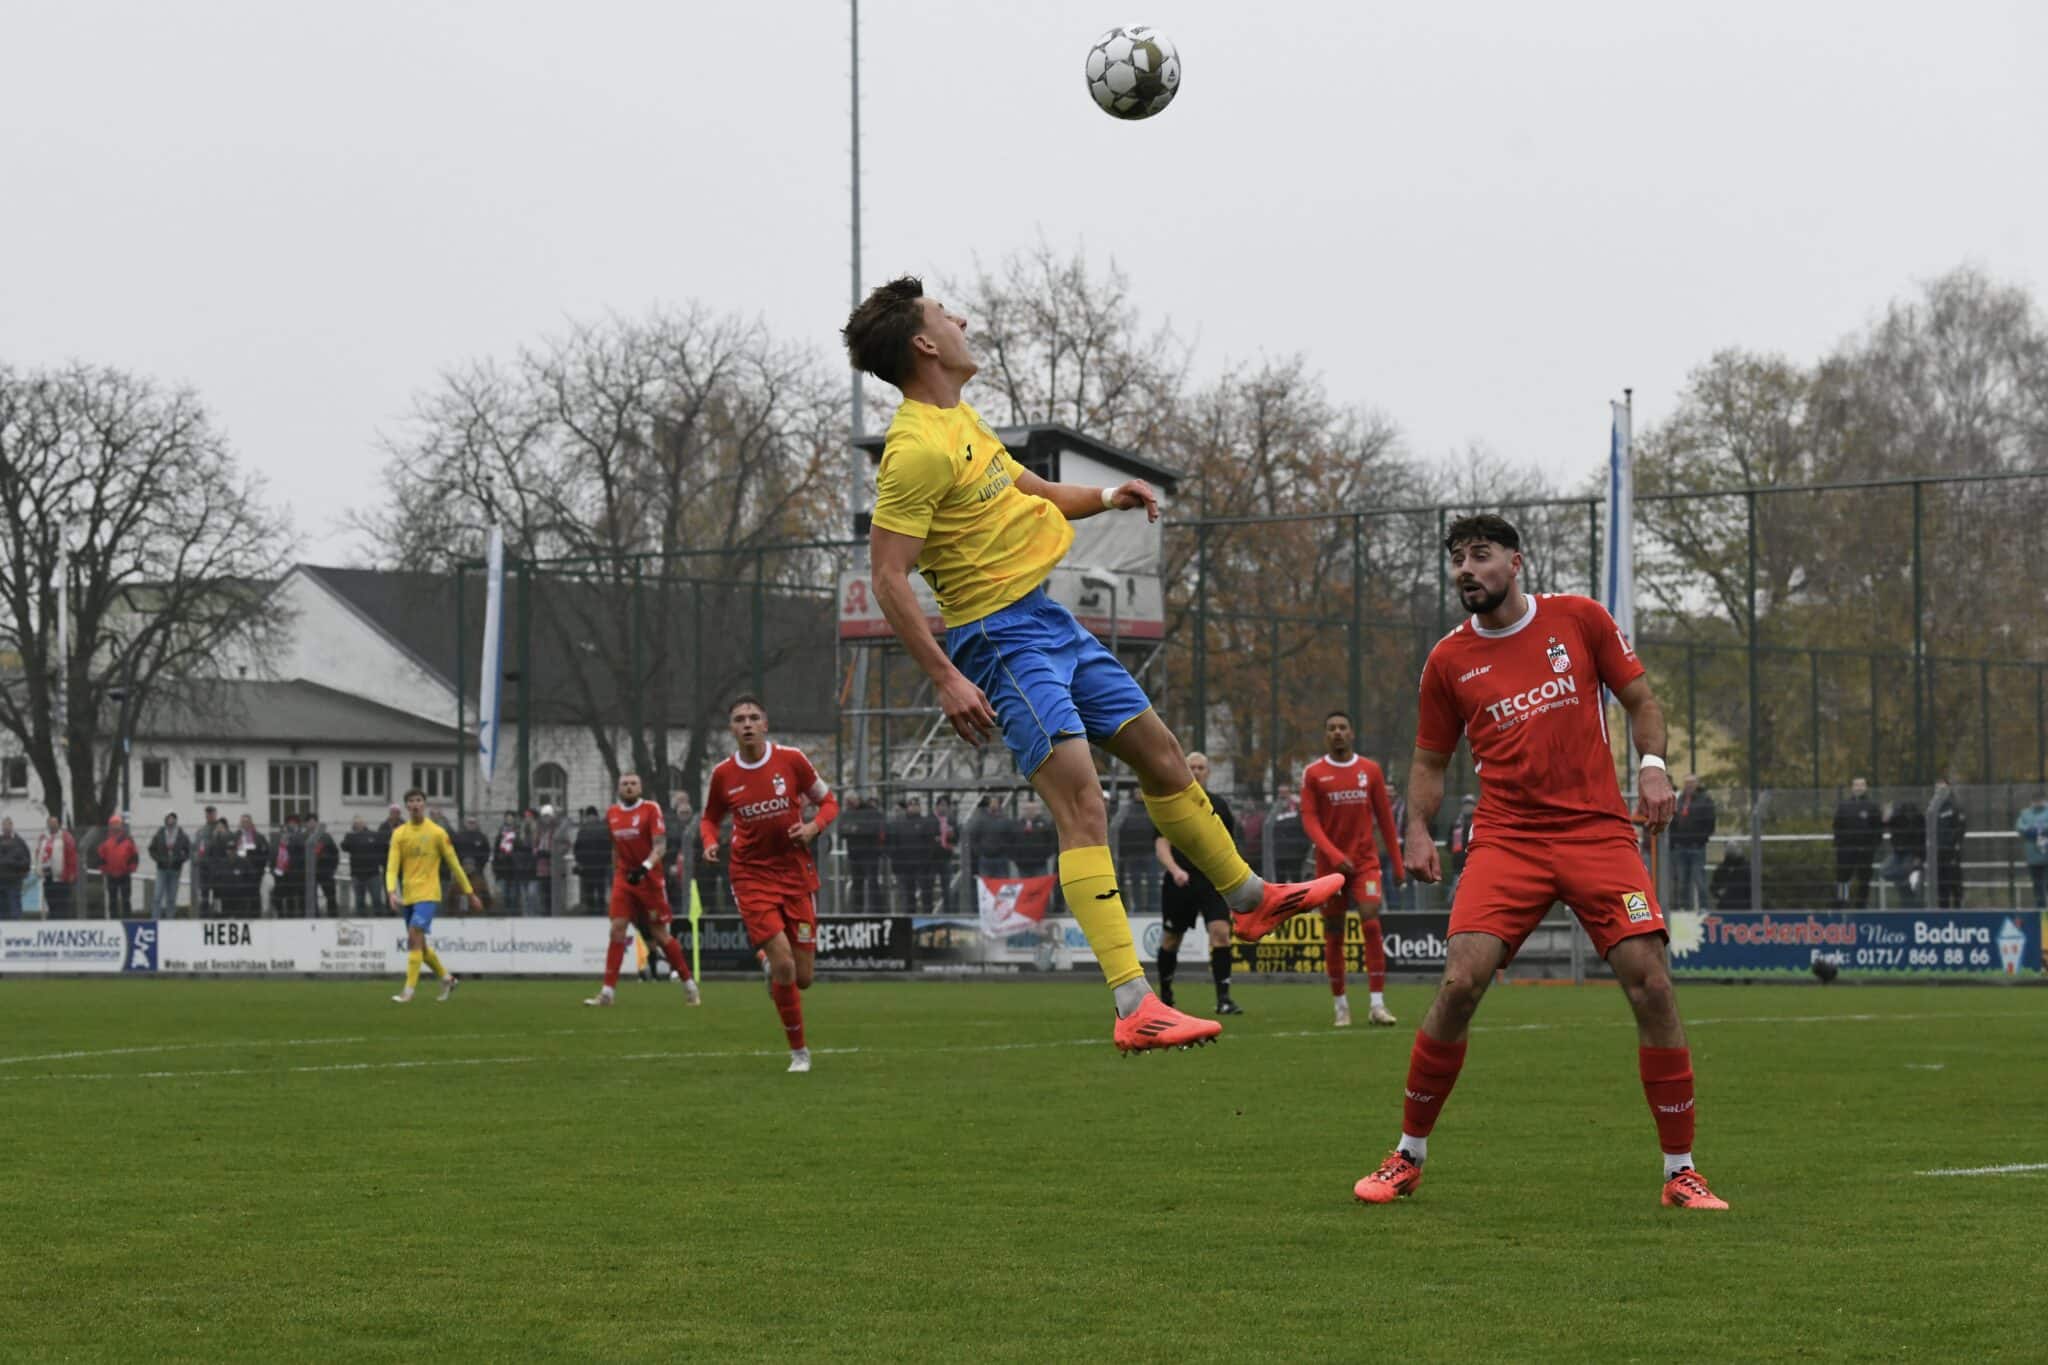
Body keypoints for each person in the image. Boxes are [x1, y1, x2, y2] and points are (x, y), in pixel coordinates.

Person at [847, 276, 1343, 1052]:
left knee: (1166, 758)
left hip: (1051, 621)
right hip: (999, 640)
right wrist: (946, 675)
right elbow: (886, 574)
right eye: (948, 314)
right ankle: (1133, 1001)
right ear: (925, 343)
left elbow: (1034, 490)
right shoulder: (913, 449)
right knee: (1082, 804)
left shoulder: (963, 420)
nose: (963, 318)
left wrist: (1110, 495)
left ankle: (1249, 896)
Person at [1353, 514, 1726, 1212]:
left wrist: (1651, 766)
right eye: (1458, 558)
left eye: (1481, 555)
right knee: (1460, 981)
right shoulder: (1448, 660)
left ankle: (1681, 1170)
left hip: (1597, 833)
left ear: (1515, 562)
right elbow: (1430, 759)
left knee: (1651, 984)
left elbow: (1642, 700)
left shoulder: (1579, 619)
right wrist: (1417, 828)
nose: (1467, 568)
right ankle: (1408, 1154)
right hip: (1508, 839)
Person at [698, 696, 838, 1070]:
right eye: (739, 719)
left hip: (795, 874)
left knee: (803, 977)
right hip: (750, 875)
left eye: (753, 717)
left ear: (765, 724)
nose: (746, 724)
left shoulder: (792, 760)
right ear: (731, 728)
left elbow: (830, 804)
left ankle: (766, 962)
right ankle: (799, 1052)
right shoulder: (723, 774)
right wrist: (710, 842)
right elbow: (709, 818)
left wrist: (812, 827)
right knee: (786, 968)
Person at [1300, 713, 1404, 1028]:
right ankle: (1341, 1006)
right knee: (1334, 933)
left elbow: (1386, 819)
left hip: (1365, 864)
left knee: (1371, 921)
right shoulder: (1314, 773)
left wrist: (1398, 864)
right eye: (1331, 728)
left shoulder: (1369, 770)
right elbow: (1309, 820)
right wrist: (1333, 855)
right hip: (1330, 868)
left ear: (1352, 733)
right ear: (1325, 735)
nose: (1337, 733)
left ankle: (1377, 1004)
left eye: (1342, 727)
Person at [584, 771, 701, 1009]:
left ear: (640, 788)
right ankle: (607, 993)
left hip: (649, 879)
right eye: (624, 784)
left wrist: (645, 867)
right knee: (617, 929)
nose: (628, 787)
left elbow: (660, 846)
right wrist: (618, 874)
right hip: (625, 879)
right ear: (618, 788)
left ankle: (689, 985)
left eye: (633, 784)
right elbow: (615, 849)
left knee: (659, 934)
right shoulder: (613, 814)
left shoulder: (651, 809)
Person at [1153, 751, 1242, 1016]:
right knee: (1171, 939)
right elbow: (1161, 844)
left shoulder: (1219, 805)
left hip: (1211, 880)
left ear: (1208, 772)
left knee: (1221, 934)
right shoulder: (1169, 803)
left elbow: (1228, 846)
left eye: (1201, 767)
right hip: (1180, 880)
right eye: (1191, 767)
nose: (1196, 771)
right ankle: (1166, 996)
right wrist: (1175, 869)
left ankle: (1223, 999)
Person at [385, 787, 480, 1003]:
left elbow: (455, 864)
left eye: (419, 800)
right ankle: (447, 978)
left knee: (414, 937)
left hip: (428, 894)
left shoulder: (437, 833)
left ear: (424, 804)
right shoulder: (399, 834)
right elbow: (392, 867)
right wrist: (391, 891)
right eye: (411, 801)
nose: (416, 804)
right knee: (420, 945)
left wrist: (470, 892)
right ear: (407, 806)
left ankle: (408, 992)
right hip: (408, 895)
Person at [1831, 778, 1883, 909]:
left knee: (1864, 881)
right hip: (1846, 852)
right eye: (1856, 785)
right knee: (1843, 880)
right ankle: (1841, 905)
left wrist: (1871, 847)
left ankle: (1861, 907)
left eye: (1862, 785)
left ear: (1866, 787)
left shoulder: (1872, 806)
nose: (1859, 787)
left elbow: (1878, 828)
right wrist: (1840, 845)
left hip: (1865, 852)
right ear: (1852, 787)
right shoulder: (1844, 806)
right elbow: (1837, 826)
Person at [1668, 775, 1717, 912]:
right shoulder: (1680, 800)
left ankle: (1703, 907)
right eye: (1686, 783)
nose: (1688, 786)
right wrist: (1675, 840)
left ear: (1696, 784)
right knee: (1683, 880)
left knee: (1699, 878)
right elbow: (1673, 821)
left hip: (1697, 846)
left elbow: (1710, 822)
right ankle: (1685, 907)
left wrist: (1702, 839)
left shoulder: (1705, 800)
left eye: (1691, 783)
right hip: (1680, 846)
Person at [839, 795, 886, 916]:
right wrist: (856, 829)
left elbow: (871, 829)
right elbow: (841, 830)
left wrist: (855, 829)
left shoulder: (871, 812)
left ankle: (876, 912)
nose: (849, 804)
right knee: (857, 884)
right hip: (854, 854)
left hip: (870, 854)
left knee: (872, 883)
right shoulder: (846, 814)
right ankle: (857, 912)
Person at [147, 813, 192, 918]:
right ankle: (155, 920)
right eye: (169, 819)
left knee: (171, 898)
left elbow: (188, 851)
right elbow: (151, 849)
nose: (171, 821)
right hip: (161, 869)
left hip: (175, 870)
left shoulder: (182, 835)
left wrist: (180, 860)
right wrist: (159, 859)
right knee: (157, 896)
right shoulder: (159, 834)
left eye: (173, 819)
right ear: (166, 820)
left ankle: (169, 921)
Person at [1931, 777, 1967, 909]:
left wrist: (1954, 845)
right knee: (1941, 886)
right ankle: (1942, 912)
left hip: (1951, 853)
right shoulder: (1933, 808)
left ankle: (1958, 911)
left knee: (1955, 883)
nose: (1939, 791)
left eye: (1942, 788)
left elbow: (1960, 828)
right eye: (1937, 788)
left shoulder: (1955, 806)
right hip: (1937, 853)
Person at [491, 812, 532, 917]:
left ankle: (514, 916)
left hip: (514, 871)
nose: (509, 821)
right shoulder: (500, 836)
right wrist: (495, 868)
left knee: (514, 896)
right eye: (507, 819)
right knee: (504, 897)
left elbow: (523, 849)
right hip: (502, 871)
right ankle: (505, 916)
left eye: (511, 819)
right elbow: (496, 853)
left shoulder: (518, 835)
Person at [37, 816, 78, 919]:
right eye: (50, 823)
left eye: (54, 822)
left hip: (62, 878)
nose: (52, 825)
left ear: (58, 824)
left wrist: (72, 873)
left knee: (62, 904)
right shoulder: (43, 837)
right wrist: (39, 869)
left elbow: (72, 855)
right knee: (51, 903)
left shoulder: (66, 837)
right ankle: (52, 921)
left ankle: (61, 922)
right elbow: (38, 853)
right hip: (48, 876)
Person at [98, 818, 139, 917]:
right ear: (110, 826)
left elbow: (134, 855)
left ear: (121, 826)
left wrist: (132, 867)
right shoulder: (106, 840)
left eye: (117, 824)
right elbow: (101, 856)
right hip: (111, 874)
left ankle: (127, 919)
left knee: (126, 899)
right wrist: (103, 868)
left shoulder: (128, 839)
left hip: (125, 873)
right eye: (113, 824)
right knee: (112, 900)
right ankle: (114, 919)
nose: (115, 826)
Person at [573, 806, 611, 913]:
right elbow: (609, 846)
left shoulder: (583, 829)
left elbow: (577, 848)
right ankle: (600, 912)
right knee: (601, 890)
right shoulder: (604, 828)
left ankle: (590, 913)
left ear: (587, 816)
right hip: (601, 866)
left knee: (589, 891)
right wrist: (607, 861)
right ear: (596, 815)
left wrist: (579, 861)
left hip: (587, 866)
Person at [342, 816, 382, 912]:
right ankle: (361, 921)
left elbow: (380, 848)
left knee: (377, 900)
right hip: (357, 875)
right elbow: (344, 846)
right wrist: (352, 836)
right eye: (356, 823)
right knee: (359, 901)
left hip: (373, 874)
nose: (358, 825)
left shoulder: (373, 835)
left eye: (360, 823)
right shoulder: (350, 836)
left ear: (364, 824)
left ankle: (380, 920)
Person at [230, 815, 267, 917]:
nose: (245, 824)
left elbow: (264, 854)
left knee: (254, 896)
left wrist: (259, 870)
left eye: (247, 821)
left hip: (254, 873)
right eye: (243, 822)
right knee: (239, 897)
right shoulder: (235, 836)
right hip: (238, 873)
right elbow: (231, 852)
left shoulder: (258, 837)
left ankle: (255, 916)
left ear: (251, 823)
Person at [270, 813, 306, 916]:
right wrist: (273, 870)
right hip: (280, 874)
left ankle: (292, 917)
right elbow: (272, 855)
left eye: (294, 823)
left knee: (293, 899)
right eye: (289, 823)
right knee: (278, 898)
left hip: (294, 875)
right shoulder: (277, 841)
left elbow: (301, 855)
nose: (291, 825)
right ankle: (281, 915)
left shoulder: (300, 838)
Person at [2018, 792, 2048, 911]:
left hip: (2046, 855)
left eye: (2040, 800)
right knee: (2037, 884)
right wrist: (2034, 830)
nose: (2038, 803)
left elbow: (2045, 827)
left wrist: (2035, 829)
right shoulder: (2025, 813)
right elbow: (2020, 827)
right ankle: (2040, 909)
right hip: (2032, 856)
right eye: (2036, 800)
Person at [308, 814, 340, 915]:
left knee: (330, 896)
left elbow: (335, 853)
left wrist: (332, 868)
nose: (312, 824)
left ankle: (333, 916)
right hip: (310, 873)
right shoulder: (304, 836)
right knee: (311, 898)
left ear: (317, 823)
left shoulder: (326, 837)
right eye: (309, 822)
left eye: (314, 821)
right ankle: (315, 916)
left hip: (326, 872)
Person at [1447, 794, 1477, 901]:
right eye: (1465, 805)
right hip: (1458, 864)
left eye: (1470, 805)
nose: (1467, 807)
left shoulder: (1478, 822)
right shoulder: (1456, 823)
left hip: (1474, 863)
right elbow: (1449, 844)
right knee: (1456, 892)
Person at [0, 817, 30, 919]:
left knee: (15, 909)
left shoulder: (19, 842)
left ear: (12, 826)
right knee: (2, 910)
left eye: (8, 825)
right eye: (4, 825)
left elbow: (26, 862)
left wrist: (12, 863)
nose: (6, 827)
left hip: (14, 882)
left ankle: (17, 929)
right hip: (1, 882)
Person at [1710, 840, 1750, 910]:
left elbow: (1713, 887)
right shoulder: (1722, 869)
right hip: (1736, 906)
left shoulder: (1722, 869)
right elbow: (1713, 887)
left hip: (1735, 906)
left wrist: (1719, 894)